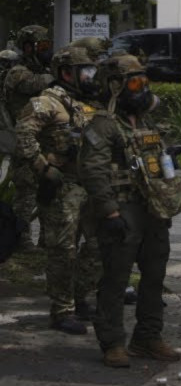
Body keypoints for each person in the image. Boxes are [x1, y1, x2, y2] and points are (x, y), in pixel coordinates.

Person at [81, 53, 181, 367]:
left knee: (154, 276)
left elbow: (160, 161)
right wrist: (110, 213)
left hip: (153, 209)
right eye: (135, 83)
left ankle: (148, 337)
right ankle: (113, 342)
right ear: (115, 85)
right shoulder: (103, 124)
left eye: (144, 82)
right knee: (116, 278)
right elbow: (94, 171)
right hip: (122, 209)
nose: (142, 89)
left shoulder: (146, 122)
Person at [15, 46, 100, 335]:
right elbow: (23, 134)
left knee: (99, 244)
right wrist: (43, 168)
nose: (90, 77)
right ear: (66, 73)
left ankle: (80, 295)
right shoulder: (47, 102)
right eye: (85, 72)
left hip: (90, 184)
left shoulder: (87, 103)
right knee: (63, 250)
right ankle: (62, 310)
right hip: (63, 187)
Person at [4, 25, 56, 256]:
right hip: (24, 141)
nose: (46, 51)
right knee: (25, 193)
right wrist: (55, 74)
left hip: (45, 141)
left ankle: (46, 239)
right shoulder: (18, 72)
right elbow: (34, 84)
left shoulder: (42, 70)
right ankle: (22, 240)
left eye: (47, 46)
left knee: (48, 190)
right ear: (27, 47)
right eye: (41, 46)